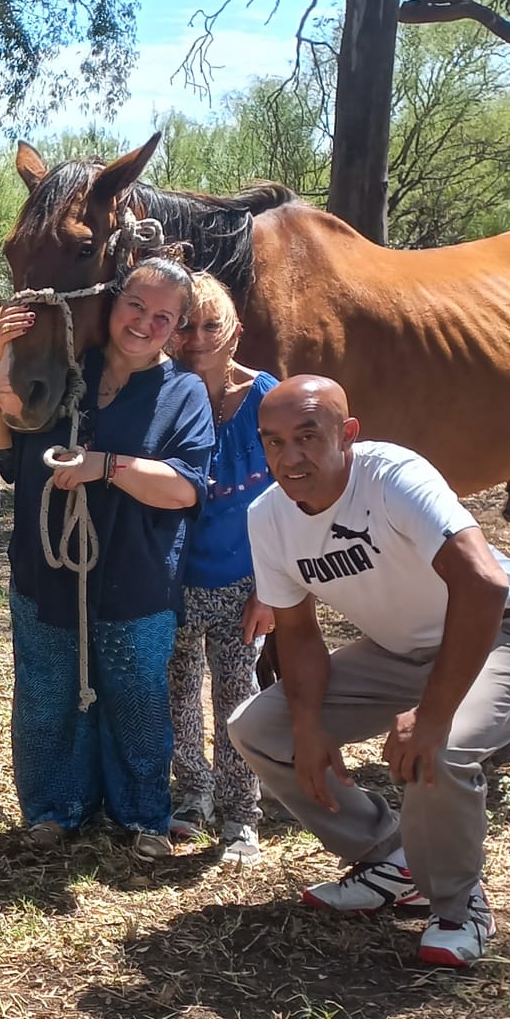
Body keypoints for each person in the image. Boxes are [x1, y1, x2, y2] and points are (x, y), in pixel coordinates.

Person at [230, 376, 510, 968]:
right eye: (274, 442)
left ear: (347, 434)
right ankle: (394, 859)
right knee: (261, 728)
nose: (290, 457)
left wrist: (433, 717)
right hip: (399, 652)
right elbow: (299, 631)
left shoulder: (392, 476)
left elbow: (482, 585)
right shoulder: (268, 515)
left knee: (445, 749)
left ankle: (459, 906)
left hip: (503, 633)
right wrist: (309, 729)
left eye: (308, 436)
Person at [0, 255, 213, 860]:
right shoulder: (63, 373)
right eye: (136, 305)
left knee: (136, 703)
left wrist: (103, 468)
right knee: (47, 697)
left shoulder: (183, 391)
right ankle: (56, 810)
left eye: (163, 316)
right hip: (46, 571)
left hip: (134, 581)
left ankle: (141, 815)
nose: (145, 322)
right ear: (113, 303)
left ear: (178, 324)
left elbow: (186, 487)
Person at [167, 271, 276, 861]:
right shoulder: (165, 397)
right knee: (179, 692)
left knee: (239, 698)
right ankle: (193, 797)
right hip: (176, 581)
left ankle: (241, 815)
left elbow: (291, 501)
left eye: (212, 324)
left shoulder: (267, 399)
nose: (198, 338)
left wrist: (274, 589)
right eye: (185, 325)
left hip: (244, 581)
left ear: (237, 330)